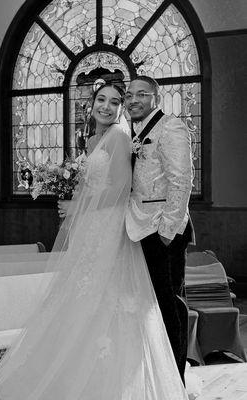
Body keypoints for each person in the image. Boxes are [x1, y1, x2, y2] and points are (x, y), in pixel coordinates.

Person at [0, 83, 188, 400]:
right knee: (83, 295)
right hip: (99, 226)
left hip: (132, 226)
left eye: (117, 101)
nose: (109, 106)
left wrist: (79, 206)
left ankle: (161, 376)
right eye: (103, 99)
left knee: (137, 301)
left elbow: (127, 186)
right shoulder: (96, 139)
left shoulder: (124, 135)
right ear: (91, 103)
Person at [125, 75, 195, 384]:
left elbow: (182, 180)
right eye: (129, 95)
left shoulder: (171, 126)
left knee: (170, 305)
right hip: (139, 227)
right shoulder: (132, 131)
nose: (133, 99)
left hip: (163, 229)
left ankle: (175, 378)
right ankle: (156, 372)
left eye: (141, 94)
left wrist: (167, 232)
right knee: (150, 304)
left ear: (156, 97)